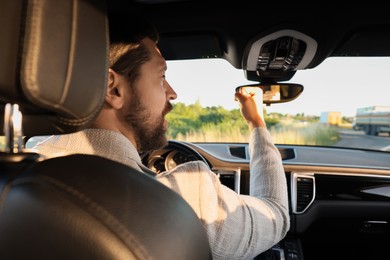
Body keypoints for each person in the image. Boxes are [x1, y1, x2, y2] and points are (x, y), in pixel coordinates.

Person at [32, 20, 290, 259]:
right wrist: (256, 122)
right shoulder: (188, 198)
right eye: (161, 76)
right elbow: (276, 214)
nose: (173, 93)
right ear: (113, 88)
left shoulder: (21, 173)